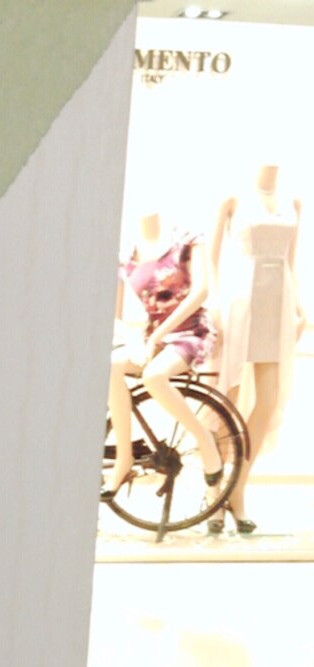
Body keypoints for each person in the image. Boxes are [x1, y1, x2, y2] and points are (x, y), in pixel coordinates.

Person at [102, 212, 222, 505]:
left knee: (154, 376)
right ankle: (124, 460)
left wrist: (158, 335)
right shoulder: (126, 254)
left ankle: (204, 440)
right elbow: (114, 316)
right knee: (111, 367)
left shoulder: (187, 239)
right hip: (154, 338)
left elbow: (202, 291)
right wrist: (136, 340)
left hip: (191, 332)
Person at [210, 162, 304, 534]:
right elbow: (211, 260)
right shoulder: (233, 197)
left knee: (268, 399)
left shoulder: (294, 202)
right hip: (240, 298)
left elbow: (291, 262)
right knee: (226, 397)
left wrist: (299, 308)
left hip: (278, 301)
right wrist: (212, 304)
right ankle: (214, 492)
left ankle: (238, 488)